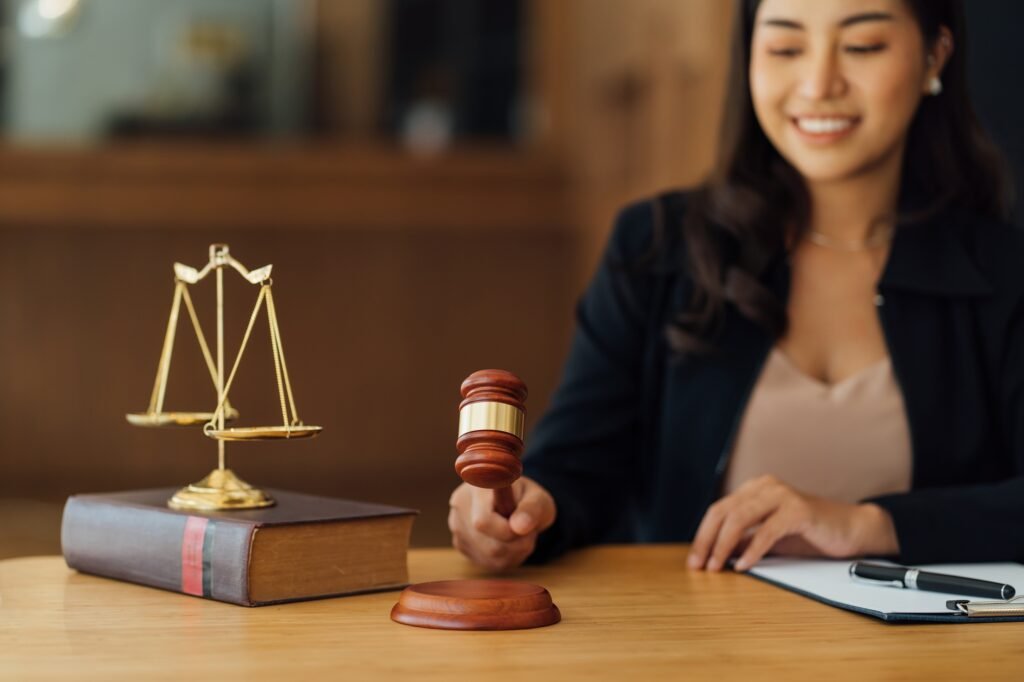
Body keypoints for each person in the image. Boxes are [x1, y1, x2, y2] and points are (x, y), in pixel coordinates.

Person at [449, 0, 1023, 573]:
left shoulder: (1004, 270)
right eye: (786, 48)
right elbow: (576, 467)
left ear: (934, 56)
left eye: (861, 46)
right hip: (701, 627)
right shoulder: (657, 246)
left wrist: (868, 524)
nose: (818, 84)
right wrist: (523, 510)